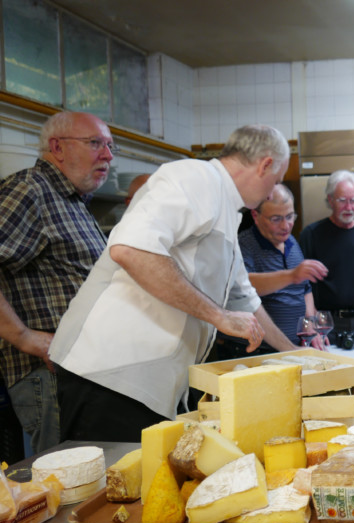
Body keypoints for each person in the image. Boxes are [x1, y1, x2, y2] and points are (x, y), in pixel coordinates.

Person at [49, 124, 298, 443]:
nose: (270, 192)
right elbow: (132, 250)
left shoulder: (226, 211)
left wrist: (293, 352)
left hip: (149, 383)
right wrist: (219, 318)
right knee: (114, 488)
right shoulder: (194, 178)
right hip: (109, 373)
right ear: (265, 165)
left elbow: (243, 298)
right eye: (275, 181)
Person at [0, 111, 113, 453]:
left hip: (81, 373)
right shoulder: (30, 190)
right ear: (57, 147)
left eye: (110, 146)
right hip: (50, 377)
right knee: (63, 490)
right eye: (95, 143)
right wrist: (24, 337)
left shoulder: (72, 201)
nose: (107, 155)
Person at [226, 183, 328, 357]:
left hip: (293, 348)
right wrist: (291, 276)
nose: (285, 225)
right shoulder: (244, 244)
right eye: (276, 219)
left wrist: (310, 323)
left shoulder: (292, 243)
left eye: (289, 216)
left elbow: (305, 289)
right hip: (256, 352)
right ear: (255, 216)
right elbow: (245, 287)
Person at [299, 170, 354, 335]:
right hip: (325, 322)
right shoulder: (311, 235)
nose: (349, 207)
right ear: (330, 200)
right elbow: (302, 283)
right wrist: (312, 320)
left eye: (353, 200)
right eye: (342, 201)